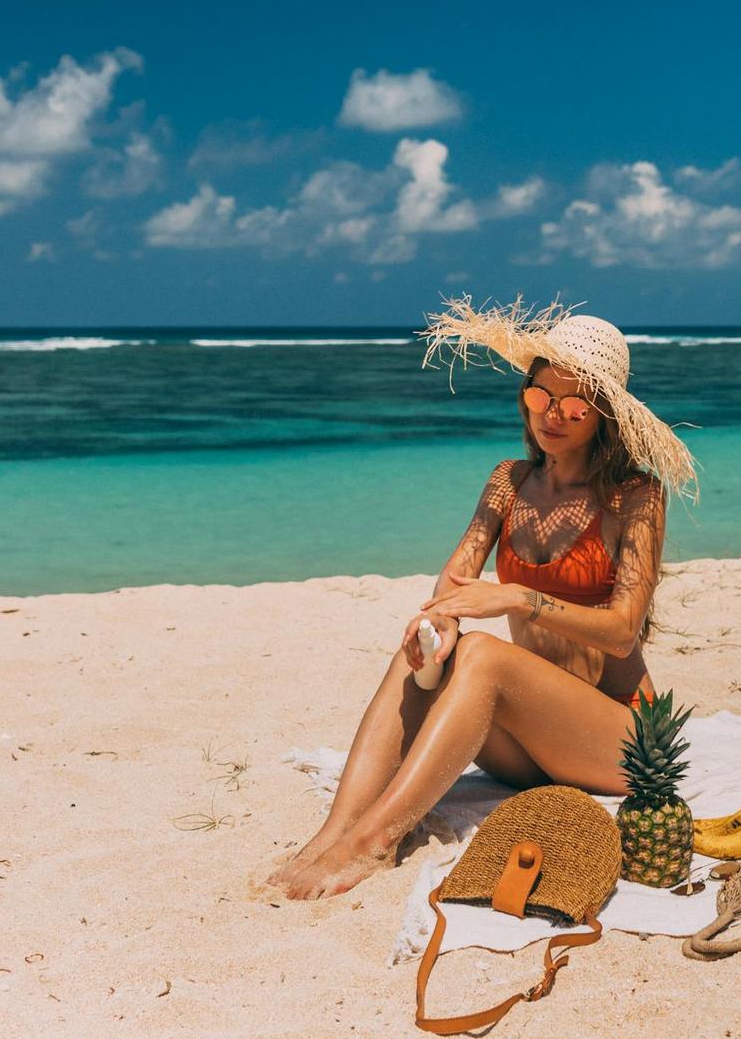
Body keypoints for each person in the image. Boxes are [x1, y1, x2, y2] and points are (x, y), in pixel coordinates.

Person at [271, 301, 697, 900]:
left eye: (574, 404)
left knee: (485, 656)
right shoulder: (508, 481)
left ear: (603, 415)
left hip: (616, 739)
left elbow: (624, 630)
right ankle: (335, 832)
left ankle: (373, 842)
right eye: (539, 396)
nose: (553, 414)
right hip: (529, 745)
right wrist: (436, 626)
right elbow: (453, 586)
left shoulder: (637, 497)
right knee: (428, 649)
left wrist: (520, 598)